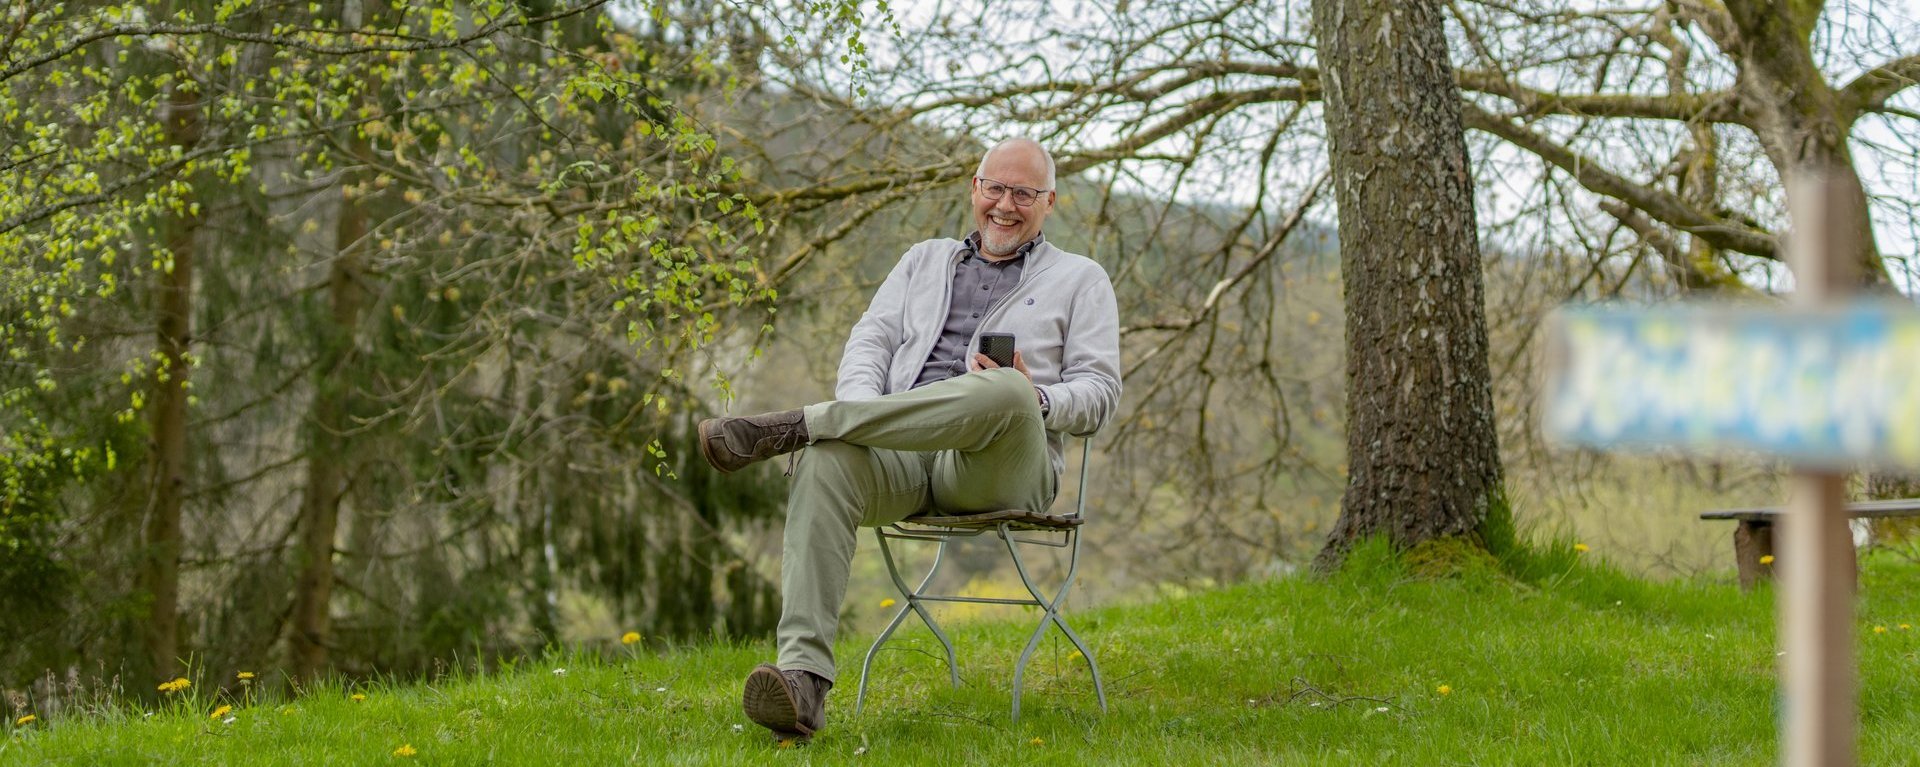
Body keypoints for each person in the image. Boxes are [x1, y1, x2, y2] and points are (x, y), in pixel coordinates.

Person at [698, 137, 1122, 742]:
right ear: (974, 189)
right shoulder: (923, 260)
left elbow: (1101, 393)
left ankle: (797, 424)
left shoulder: (1082, 280)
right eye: (994, 188)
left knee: (1004, 389)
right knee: (825, 461)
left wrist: (1039, 396)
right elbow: (870, 342)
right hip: (901, 455)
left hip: (999, 467)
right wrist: (867, 414)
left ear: (1049, 202)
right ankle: (803, 683)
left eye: (1023, 193)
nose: (1005, 204)